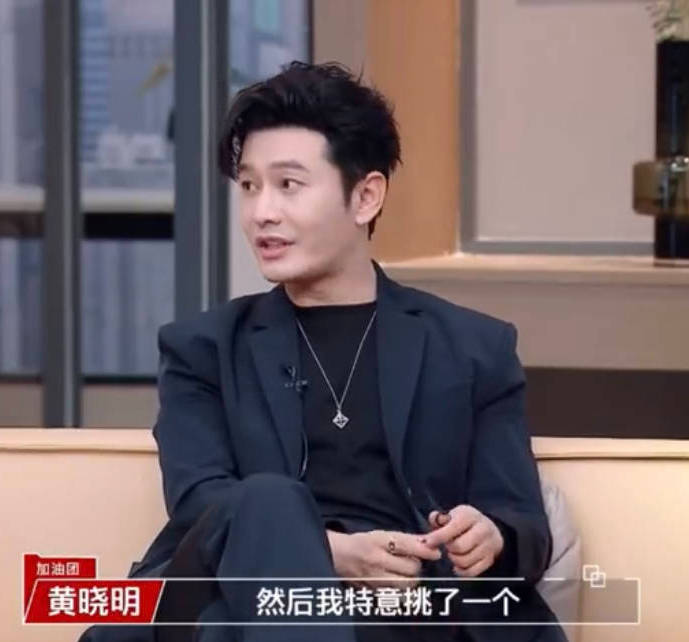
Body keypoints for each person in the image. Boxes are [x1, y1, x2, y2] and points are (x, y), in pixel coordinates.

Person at [79, 61, 567, 642]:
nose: (261, 212)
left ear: (365, 197)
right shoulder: (203, 349)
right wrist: (329, 554)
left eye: (288, 185)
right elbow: (200, 504)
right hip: (244, 593)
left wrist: (489, 536)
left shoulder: (472, 347)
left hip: (410, 613)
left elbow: (522, 523)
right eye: (249, 186)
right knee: (265, 506)